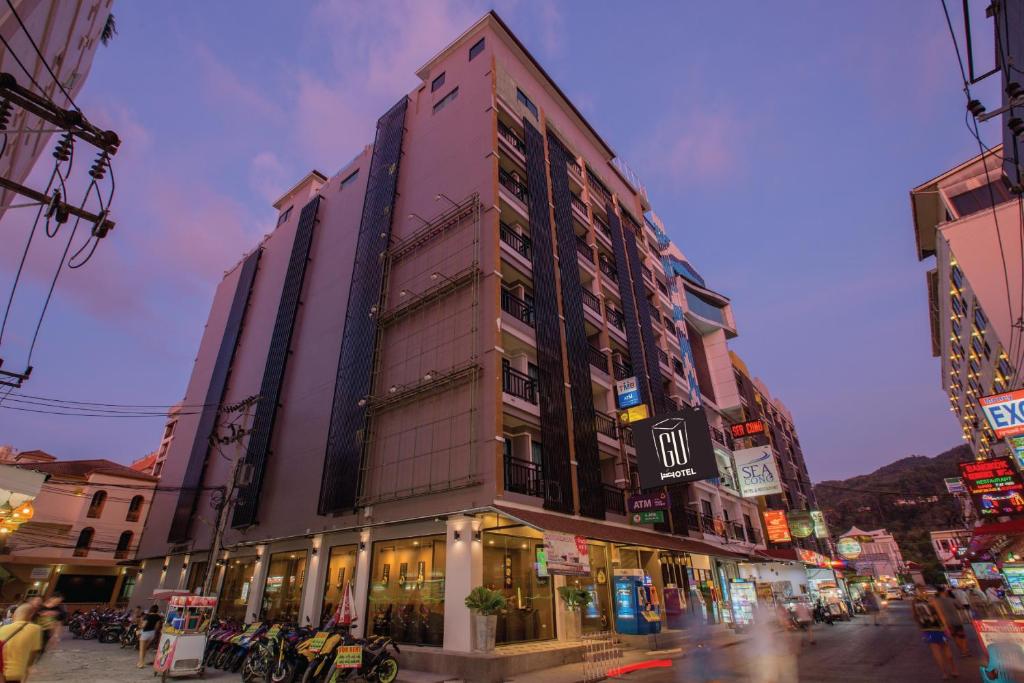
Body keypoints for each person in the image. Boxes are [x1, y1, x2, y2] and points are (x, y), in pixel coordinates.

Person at [913, 587, 957, 680]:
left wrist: (921, 627)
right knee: (946, 648)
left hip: (927, 628)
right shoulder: (931, 600)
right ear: (924, 591)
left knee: (936, 652)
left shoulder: (914, 602)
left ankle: (944, 673)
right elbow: (940, 614)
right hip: (939, 628)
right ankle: (953, 670)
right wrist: (946, 627)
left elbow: (915, 617)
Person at [0, 603, 44, 682]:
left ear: (13, 616)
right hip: (17, 674)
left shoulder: (2, 629)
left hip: (2, 674)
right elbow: (32, 654)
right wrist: (27, 670)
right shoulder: (35, 629)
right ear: (31, 616)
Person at [935, 587, 970, 657]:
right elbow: (961, 607)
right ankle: (966, 651)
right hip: (956, 620)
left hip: (947, 622)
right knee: (962, 636)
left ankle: (962, 651)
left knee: (955, 637)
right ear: (944, 592)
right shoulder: (951, 599)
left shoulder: (936, 601)